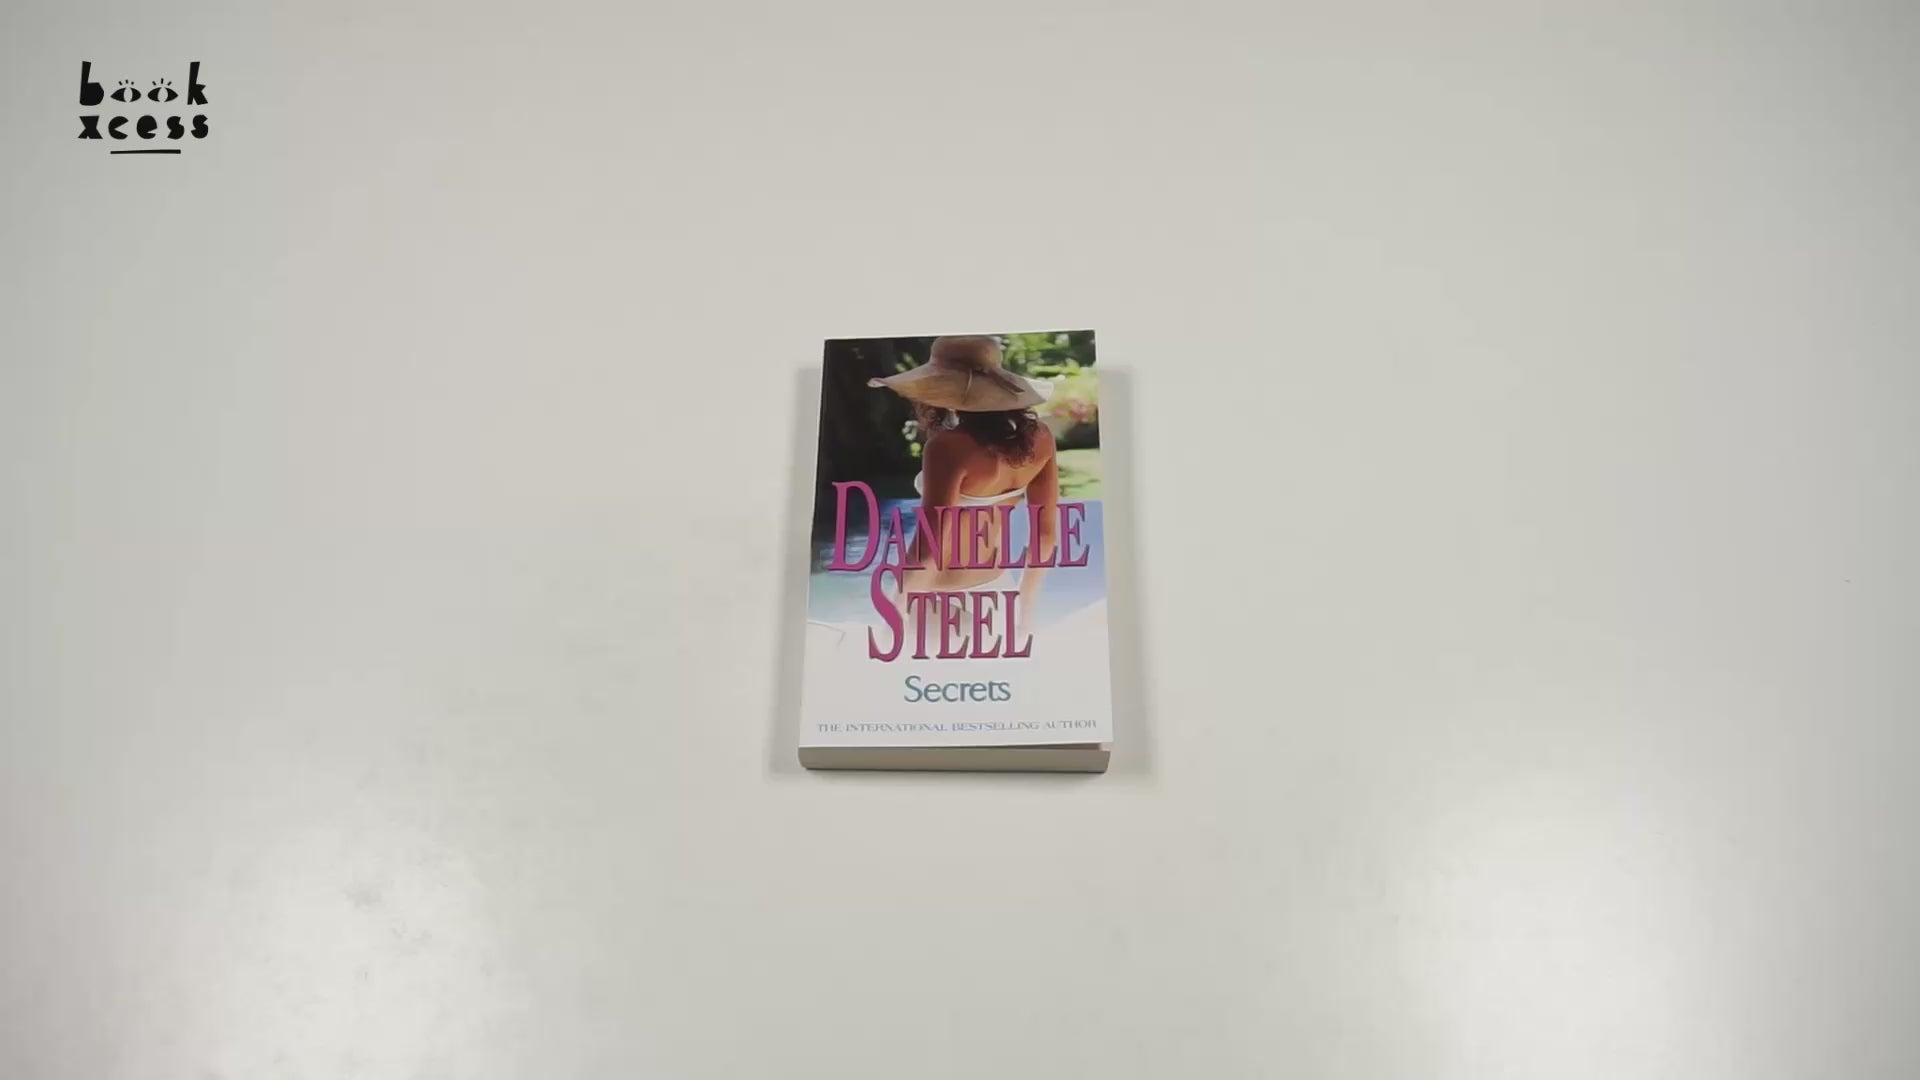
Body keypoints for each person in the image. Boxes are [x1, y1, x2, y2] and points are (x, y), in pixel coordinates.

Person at [867, 336, 1058, 647]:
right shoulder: (1042, 438)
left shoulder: (947, 447)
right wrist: (1024, 613)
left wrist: (895, 613)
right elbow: (1045, 539)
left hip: (939, 602)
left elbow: (929, 549)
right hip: (998, 591)